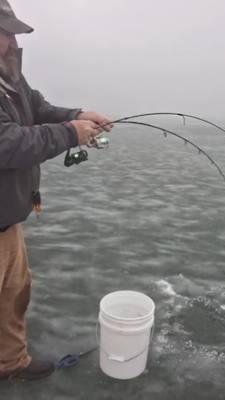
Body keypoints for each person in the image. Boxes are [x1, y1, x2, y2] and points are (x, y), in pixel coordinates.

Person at [0, 0, 113, 380]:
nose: (13, 42)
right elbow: (7, 143)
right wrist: (69, 134)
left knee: (14, 296)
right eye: (5, 33)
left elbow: (37, 108)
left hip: (8, 220)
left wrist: (76, 115)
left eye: (13, 33)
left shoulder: (10, 79)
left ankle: (9, 363)